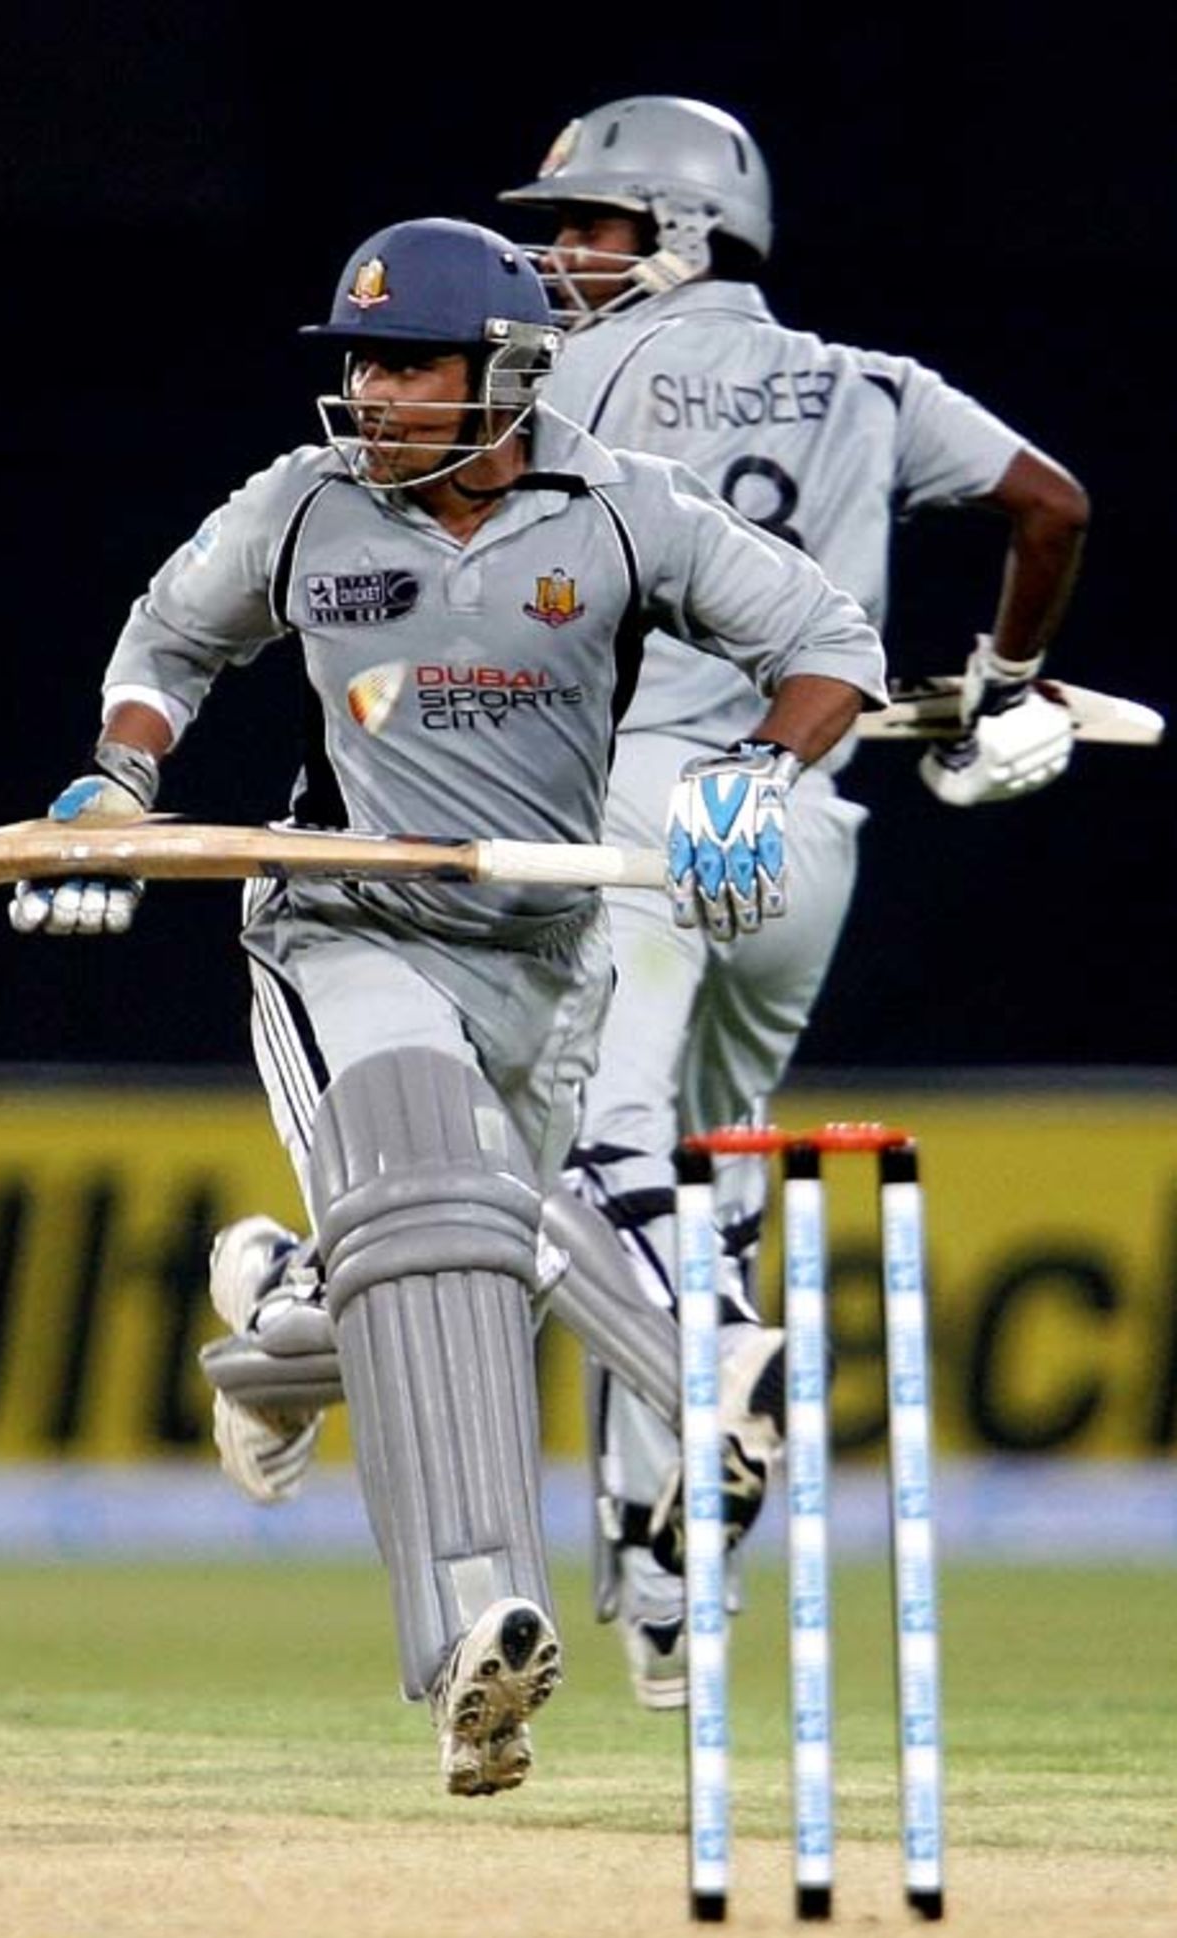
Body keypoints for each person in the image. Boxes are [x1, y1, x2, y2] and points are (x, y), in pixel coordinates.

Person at [4, 215, 887, 1793]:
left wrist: (758, 772)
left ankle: (281, 1324)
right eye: (361, 362)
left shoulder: (622, 514)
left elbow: (830, 640)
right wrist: (120, 776)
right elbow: (168, 640)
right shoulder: (304, 503)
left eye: (410, 364)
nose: (375, 393)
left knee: (454, 1242)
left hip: (543, 959)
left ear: (509, 371)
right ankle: (478, 1634)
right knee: (448, 1190)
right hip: (340, 925)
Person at [497, 95, 1090, 1709]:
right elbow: (1052, 505)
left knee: (598, 1164)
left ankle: (723, 1367)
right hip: (798, 816)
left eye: (592, 227)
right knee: (711, 1155)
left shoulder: (577, 373)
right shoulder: (869, 382)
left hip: (646, 802)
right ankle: (661, 1565)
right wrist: (1005, 678)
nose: (563, 255)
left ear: (676, 233)